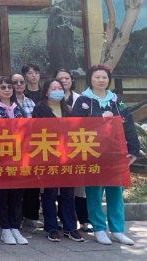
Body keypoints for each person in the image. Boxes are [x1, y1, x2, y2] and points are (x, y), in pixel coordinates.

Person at [72, 65, 139, 246]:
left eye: (104, 77)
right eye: (97, 77)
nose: (101, 80)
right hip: (92, 153)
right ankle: (99, 229)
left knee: (115, 191)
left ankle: (117, 230)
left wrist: (133, 150)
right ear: (90, 79)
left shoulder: (117, 102)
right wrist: (100, 121)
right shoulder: (83, 101)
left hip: (116, 153)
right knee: (94, 191)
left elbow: (129, 126)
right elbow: (75, 126)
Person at [32, 78, 84, 243]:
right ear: (47, 92)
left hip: (67, 157)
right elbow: (37, 131)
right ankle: (51, 228)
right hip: (49, 156)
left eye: (59, 88)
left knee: (68, 193)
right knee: (50, 193)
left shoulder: (68, 108)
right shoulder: (40, 108)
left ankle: (70, 228)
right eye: (53, 88)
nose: (57, 91)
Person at [0, 77, 29, 245]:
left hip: (19, 157)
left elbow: (28, 131)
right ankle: (5, 229)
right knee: (2, 196)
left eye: (9, 87)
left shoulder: (20, 109)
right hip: (0, 157)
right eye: (2, 87)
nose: (7, 90)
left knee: (17, 196)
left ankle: (15, 227)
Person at [54, 68, 90, 231]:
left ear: (72, 80)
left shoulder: (81, 99)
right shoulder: (52, 101)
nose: (64, 81)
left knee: (80, 187)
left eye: (66, 78)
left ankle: (84, 220)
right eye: (60, 79)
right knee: (62, 186)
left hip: (78, 146)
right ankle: (63, 219)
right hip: (58, 148)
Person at [11, 72, 40, 228]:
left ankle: (31, 216)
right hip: (13, 149)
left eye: (21, 82)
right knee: (16, 185)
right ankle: (17, 218)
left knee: (32, 184)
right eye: (15, 82)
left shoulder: (30, 102)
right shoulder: (8, 102)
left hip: (31, 147)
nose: (19, 84)